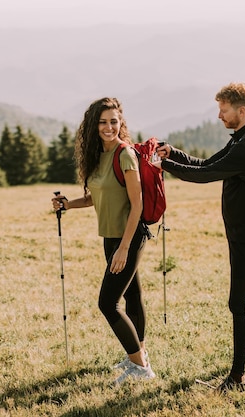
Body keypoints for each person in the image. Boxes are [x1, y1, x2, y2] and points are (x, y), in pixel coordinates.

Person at [153, 82, 245, 392]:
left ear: (241, 111)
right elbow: (207, 164)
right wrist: (174, 154)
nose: (219, 116)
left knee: (238, 303)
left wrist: (162, 165)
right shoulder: (242, 140)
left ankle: (237, 378)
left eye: (224, 110)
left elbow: (204, 175)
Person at [52, 97, 155, 385]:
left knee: (108, 303)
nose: (109, 127)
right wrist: (67, 205)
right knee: (132, 295)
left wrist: (124, 247)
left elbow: (137, 204)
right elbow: (95, 196)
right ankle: (139, 355)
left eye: (114, 121)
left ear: (121, 123)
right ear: (94, 126)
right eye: (103, 122)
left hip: (129, 238)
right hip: (110, 238)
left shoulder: (125, 155)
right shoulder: (99, 156)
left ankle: (141, 368)